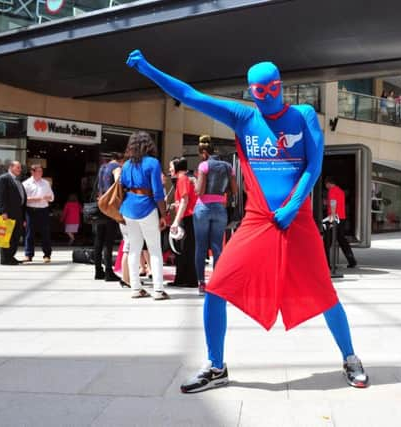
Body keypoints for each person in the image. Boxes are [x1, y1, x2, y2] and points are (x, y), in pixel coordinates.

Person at [127, 51, 369, 391]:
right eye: (260, 90)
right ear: (250, 91)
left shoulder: (303, 116)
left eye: (273, 89)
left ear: (281, 86)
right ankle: (215, 366)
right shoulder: (243, 118)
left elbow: (313, 166)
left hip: (296, 221)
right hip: (257, 221)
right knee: (216, 289)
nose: (267, 96)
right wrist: (149, 68)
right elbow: (189, 96)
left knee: (325, 293)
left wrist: (293, 206)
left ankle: (350, 357)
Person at [119, 131, 169, 301]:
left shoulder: (126, 165)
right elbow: (158, 193)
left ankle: (135, 288)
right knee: (155, 249)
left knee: (134, 248)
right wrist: (164, 214)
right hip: (147, 207)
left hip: (128, 209)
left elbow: (123, 186)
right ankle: (158, 289)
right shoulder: (153, 163)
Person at [193, 136, 238, 296]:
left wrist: (196, 181)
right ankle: (217, 282)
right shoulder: (228, 167)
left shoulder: (204, 165)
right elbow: (235, 190)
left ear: (205, 153)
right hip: (220, 209)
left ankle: (201, 284)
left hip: (203, 208)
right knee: (217, 246)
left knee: (201, 246)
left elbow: (200, 191)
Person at [168, 156, 198, 287]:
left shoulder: (182, 179)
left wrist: (176, 220)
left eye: (171, 167)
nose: (169, 169)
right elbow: (184, 200)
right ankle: (184, 279)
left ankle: (186, 279)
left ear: (177, 168)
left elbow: (185, 200)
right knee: (185, 249)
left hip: (187, 218)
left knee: (184, 250)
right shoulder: (185, 179)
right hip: (189, 217)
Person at [94, 153, 123, 281]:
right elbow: (118, 182)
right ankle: (108, 272)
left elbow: (98, 187)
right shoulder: (117, 167)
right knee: (108, 240)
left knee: (99, 239)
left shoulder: (102, 167)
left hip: (101, 205)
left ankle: (98, 270)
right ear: (120, 160)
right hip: (110, 206)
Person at [0, 161, 26, 265]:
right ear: (11, 167)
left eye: (20, 168)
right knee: (7, 236)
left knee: (16, 236)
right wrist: (3, 211)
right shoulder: (4, 178)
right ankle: (5, 259)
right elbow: (0, 196)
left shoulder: (17, 181)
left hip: (17, 213)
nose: (20, 170)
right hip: (7, 213)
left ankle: (10, 256)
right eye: (18, 167)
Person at [22, 164, 54, 263]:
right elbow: (23, 199)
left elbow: (52, 197)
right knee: (29, 233)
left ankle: (47, 255)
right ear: (32, 172)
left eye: (41, 171)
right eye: (38, 171)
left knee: (45, 233)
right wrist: (35, 199)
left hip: (43, 210)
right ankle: (28, 255)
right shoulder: (26, 183)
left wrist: (48, 198)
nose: (40, 173)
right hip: (30, 210)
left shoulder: (46, 183)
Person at [323, 176, 357, 268]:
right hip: (341, 218)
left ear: (328, 183)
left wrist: (333, 215)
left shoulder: (332, 190)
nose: (326, 186)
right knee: (342, 240)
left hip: (334, 218)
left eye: (326, 184)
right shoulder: (341, 191)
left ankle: (327, 264)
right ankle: (351, 260)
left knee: (327, 241)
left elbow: (333, 202)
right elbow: (337, 202)